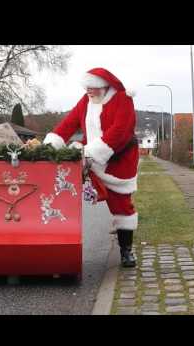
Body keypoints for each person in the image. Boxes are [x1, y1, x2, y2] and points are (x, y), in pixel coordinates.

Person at [43, 68, 139, 267]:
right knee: (63, 194)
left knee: (121, 206)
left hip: (117, 163)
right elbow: (68, 124)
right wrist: (50, 145)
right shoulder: (86, 101)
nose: (89, 91)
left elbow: (119, 132)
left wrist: (91, 153)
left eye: (93, 88)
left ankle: (126, 250)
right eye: (87, 87)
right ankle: (56, 242)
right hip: (89, 160)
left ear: (105, 87)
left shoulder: (123, 100)